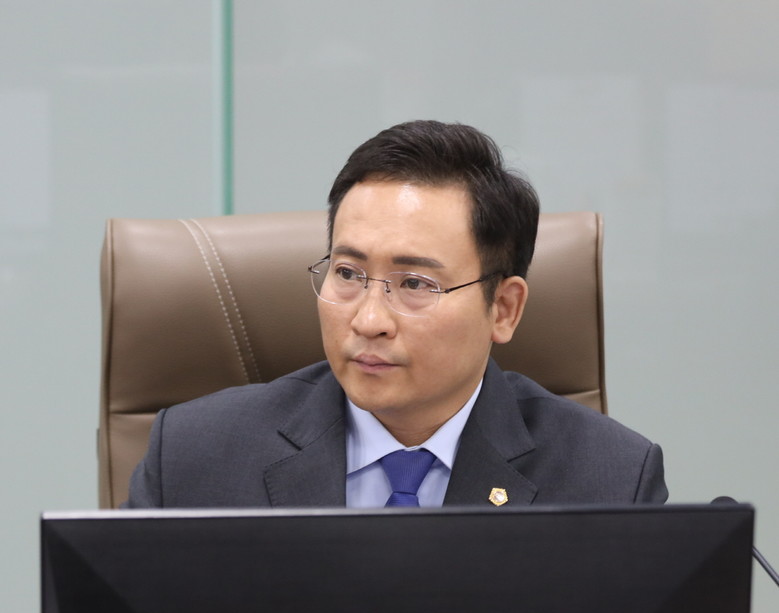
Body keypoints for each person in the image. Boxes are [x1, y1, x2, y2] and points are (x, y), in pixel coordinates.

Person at [127, 120, 667, 509]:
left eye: (414, 284)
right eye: (347, 273)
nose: (368, 321)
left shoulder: (610, 481)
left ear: (503, 309)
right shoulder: (195, 457)